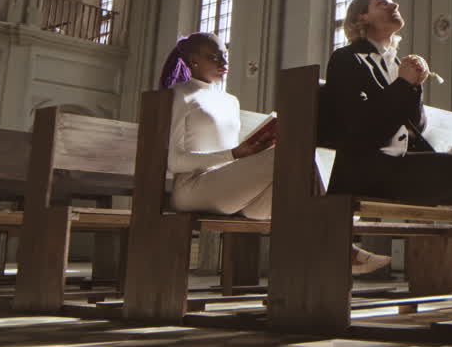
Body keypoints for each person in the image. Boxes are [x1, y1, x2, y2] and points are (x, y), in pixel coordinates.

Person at [159, 32, 390, 275]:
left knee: (299, 172)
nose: (223, 62)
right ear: (194, 60)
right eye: (214, 57)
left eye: (225, 55)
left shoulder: (230, 101)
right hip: (193, 189)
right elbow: (174, 162)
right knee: (292, 155)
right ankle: (342, 248)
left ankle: (312, 268)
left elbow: (232, 154)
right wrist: (234, 155)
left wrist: (254, 147)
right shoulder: (179, 94)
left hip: (231, 192)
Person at [320, 0, 452, 308]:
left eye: (394, 2)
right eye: (382, 4)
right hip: (364, 167)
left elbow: (414, 125)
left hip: (396, 165)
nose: (394, 5)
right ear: (362, 18)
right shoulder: (346, 59)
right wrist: (405, 84)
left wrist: (414, 86)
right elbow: (362, 128)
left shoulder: (396, 62)